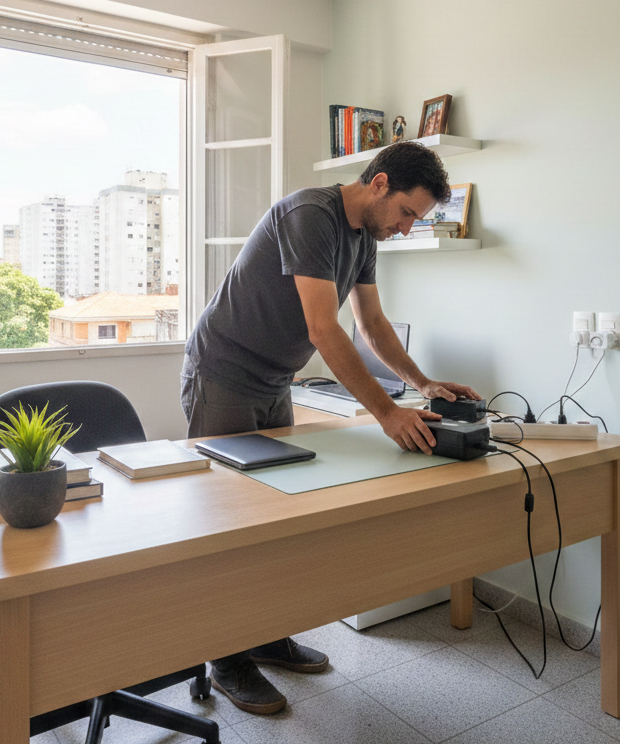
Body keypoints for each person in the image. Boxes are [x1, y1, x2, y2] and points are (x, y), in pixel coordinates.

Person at [181, 141, 482, 715]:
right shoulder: (309, 215)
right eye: (407, 213)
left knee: (273, 516)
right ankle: (226, 659)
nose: (405, 227)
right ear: (379, 184)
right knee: (227, 522)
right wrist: (387, 414)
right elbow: (325, 329)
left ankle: (264, 635)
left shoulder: (365, 237)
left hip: (272, 380)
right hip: (223, 372)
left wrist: (422, 385)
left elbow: (371, 324)